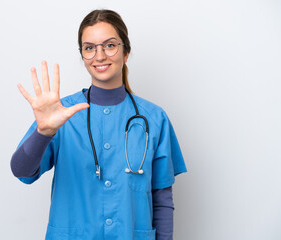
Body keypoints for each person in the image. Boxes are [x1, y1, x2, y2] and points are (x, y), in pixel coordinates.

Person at [10, 9, 187, 240]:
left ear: (126, 53)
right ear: (83, 55)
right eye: (90, 47)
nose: (100, 55)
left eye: (110, 45)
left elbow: (162, 199)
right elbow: (22, 171)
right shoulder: (61, 115)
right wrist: (43, 132)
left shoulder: (154, 119)